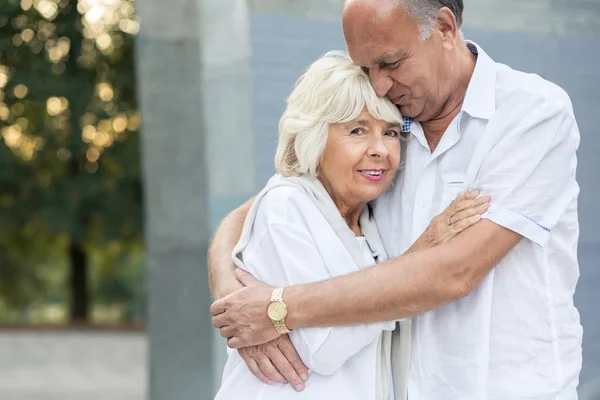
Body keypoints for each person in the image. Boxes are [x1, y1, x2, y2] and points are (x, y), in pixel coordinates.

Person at [210, 0, 583, 398]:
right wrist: (229, 292)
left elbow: (455, 274)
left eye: (390, 63)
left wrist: (277, 310)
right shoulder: (391, 122)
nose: (379, 85)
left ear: (444, 28)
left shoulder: (531, 113)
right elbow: (269, 202)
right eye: (367, 68)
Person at [214, 50, 489, 400]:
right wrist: (423, 255)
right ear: (314, 138)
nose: (380, 149)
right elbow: (324, 348)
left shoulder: (370, 219)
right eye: (357, 130)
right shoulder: (287, 205)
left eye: (390, 133)